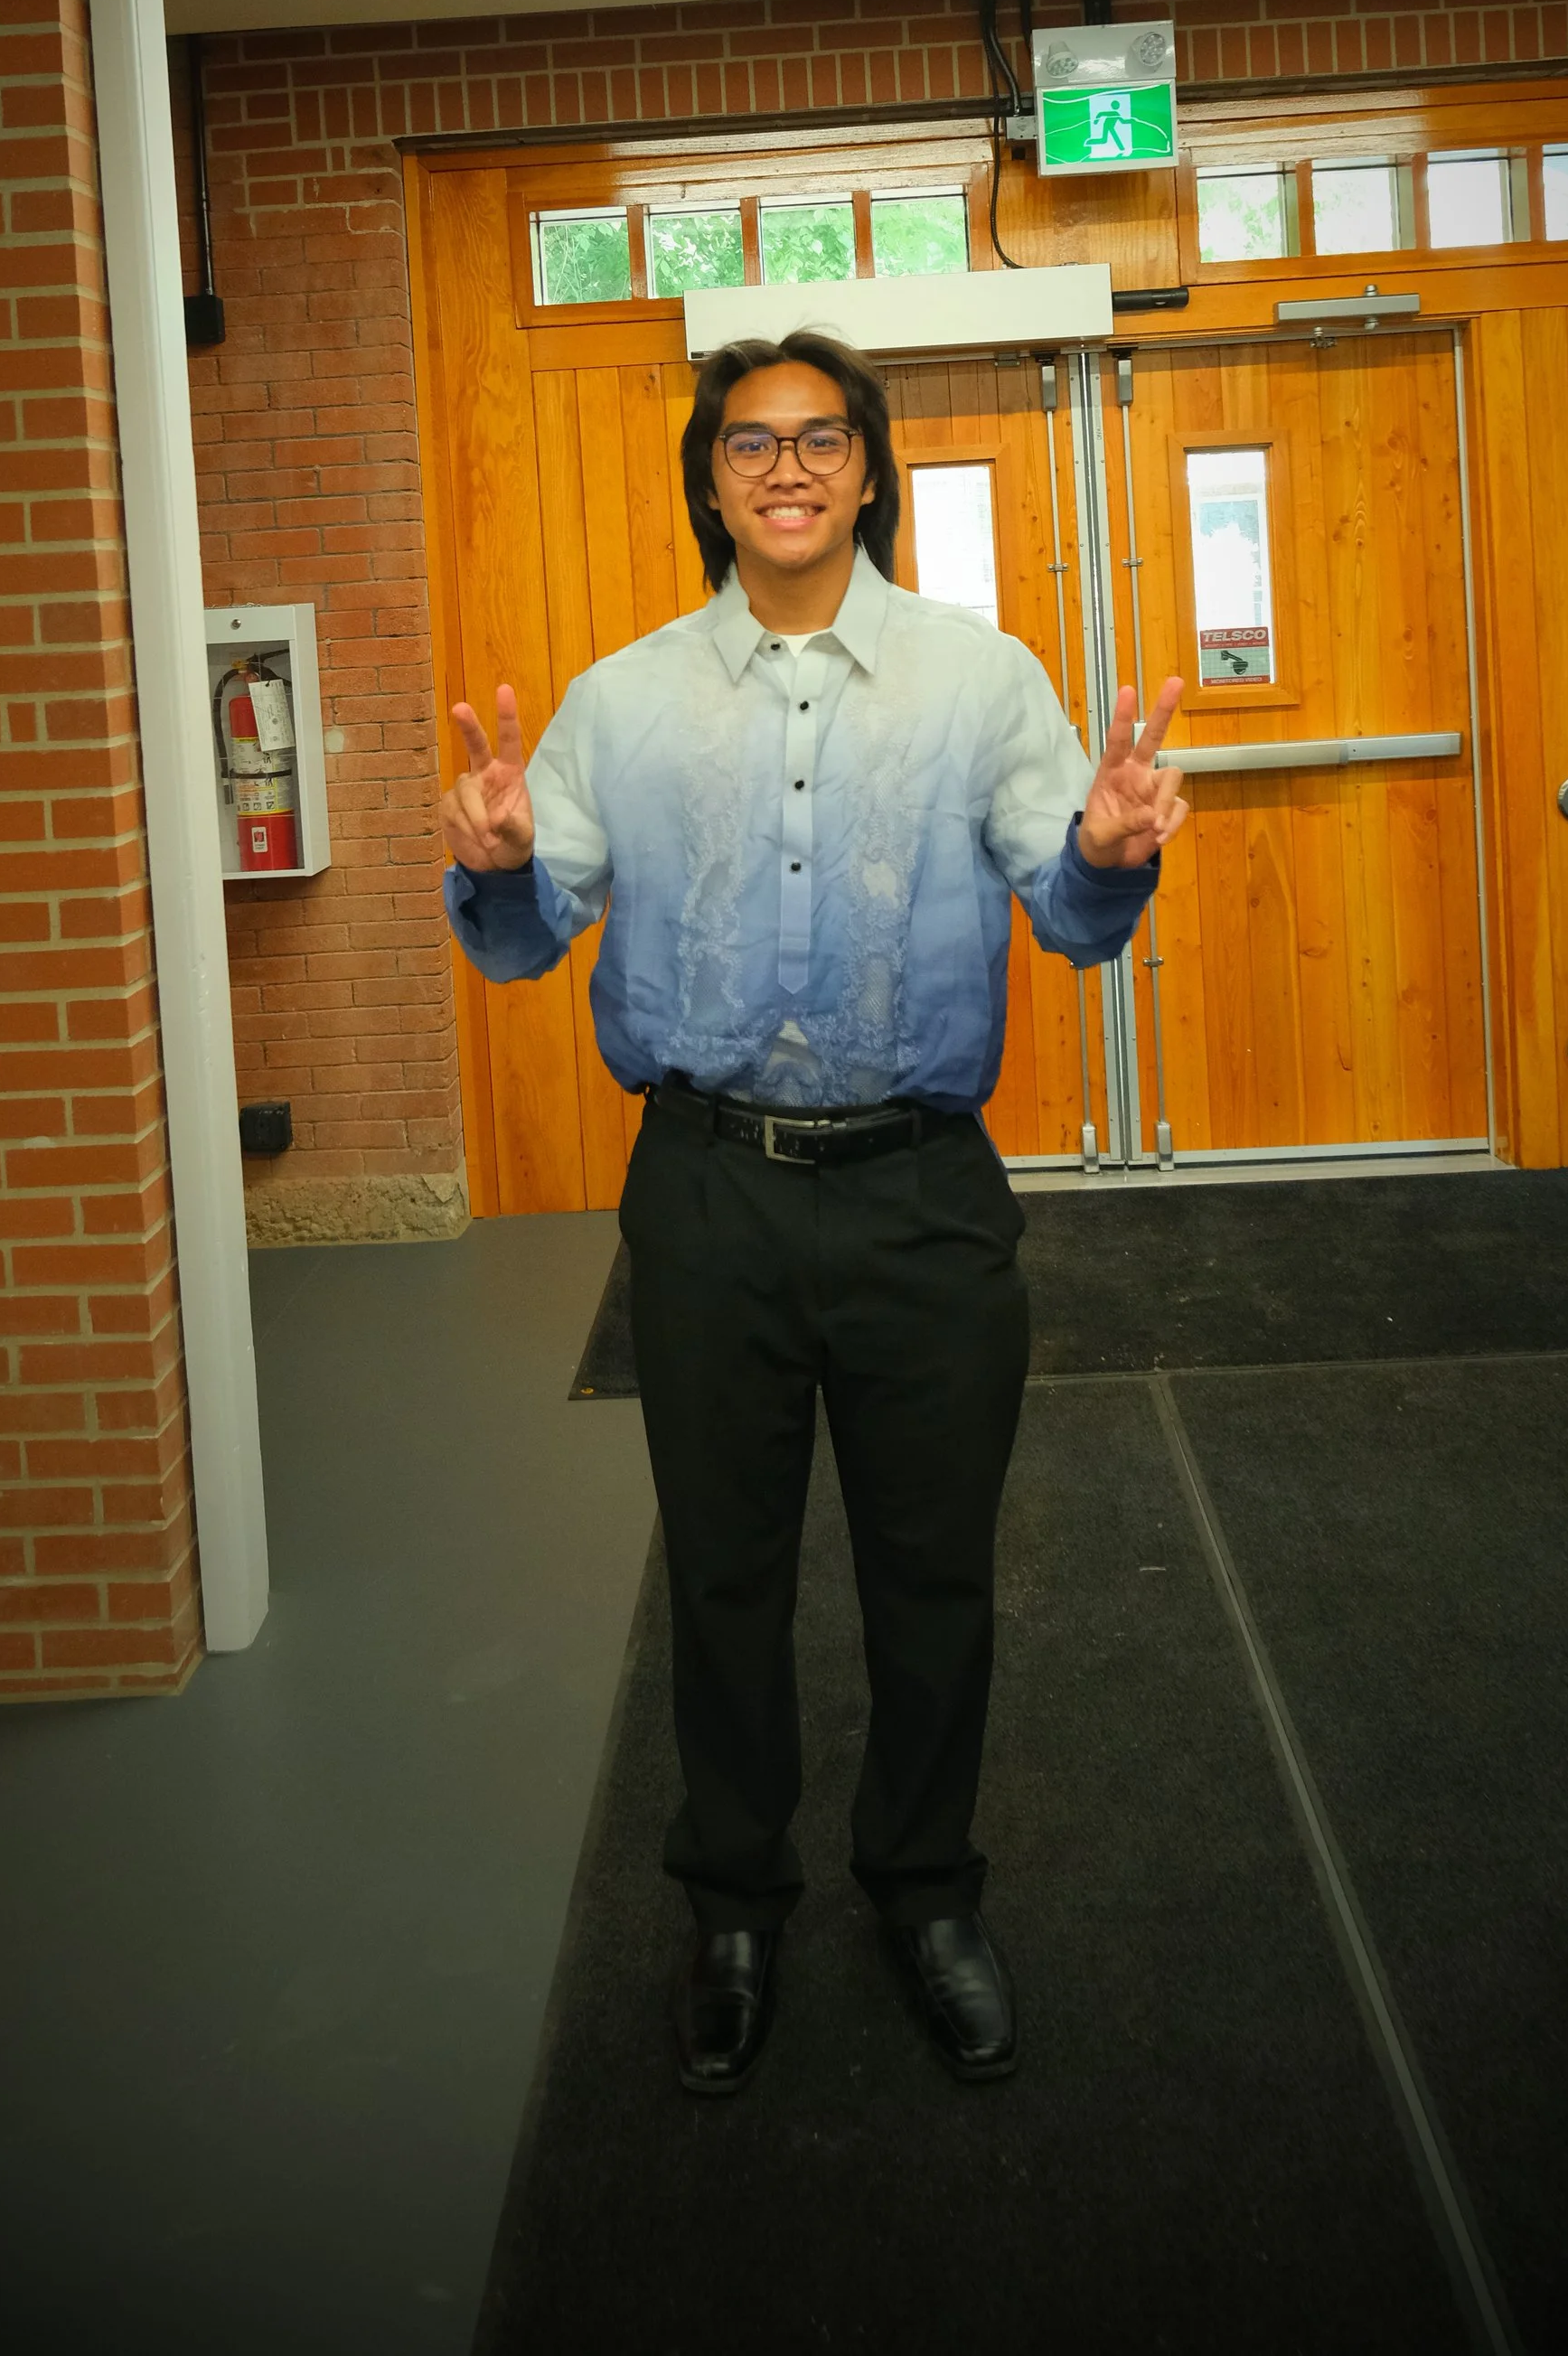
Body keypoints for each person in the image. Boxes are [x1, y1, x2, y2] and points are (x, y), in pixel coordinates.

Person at [438, 329, 1186, 2096]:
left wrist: (1106, 851)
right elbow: (528, 936)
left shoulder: (978, 678)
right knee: (722, 1580)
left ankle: (925, 1897)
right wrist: (488, 871)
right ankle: (732, 1907)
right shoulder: (620, 701)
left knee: (933, 1582)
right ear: (709, 478)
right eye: (752, 441)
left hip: (923, 1199)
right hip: (706, 1200)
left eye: (821, 438)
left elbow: (1068, 923)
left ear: (865, 469)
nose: (786, 466)